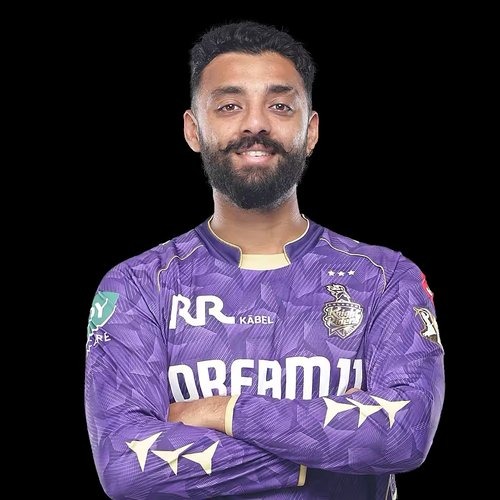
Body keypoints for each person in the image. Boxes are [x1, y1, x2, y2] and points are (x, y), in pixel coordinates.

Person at [85, 21, 445, 499]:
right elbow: (126, 467)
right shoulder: (138, 286)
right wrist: (335, 454)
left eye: (279, 106)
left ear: (310, 130)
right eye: (229, 106)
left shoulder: (385, 279)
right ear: (193, 129)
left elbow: (406, 433)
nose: (255, 124)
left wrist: (224, 411)